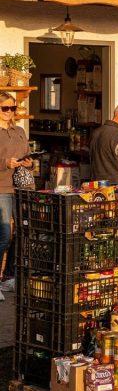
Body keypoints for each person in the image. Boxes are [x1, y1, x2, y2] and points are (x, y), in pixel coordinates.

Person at [0, 92, 30, 298]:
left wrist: (29, 162)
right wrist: (5, 163)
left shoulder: (19, 130)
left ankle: (10, 277)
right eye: (5, 108)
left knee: (22, 233)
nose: (10, 112)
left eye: (13, 108)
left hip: (20, 187)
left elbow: (27, 153)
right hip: (1, 188)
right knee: (3, 236)